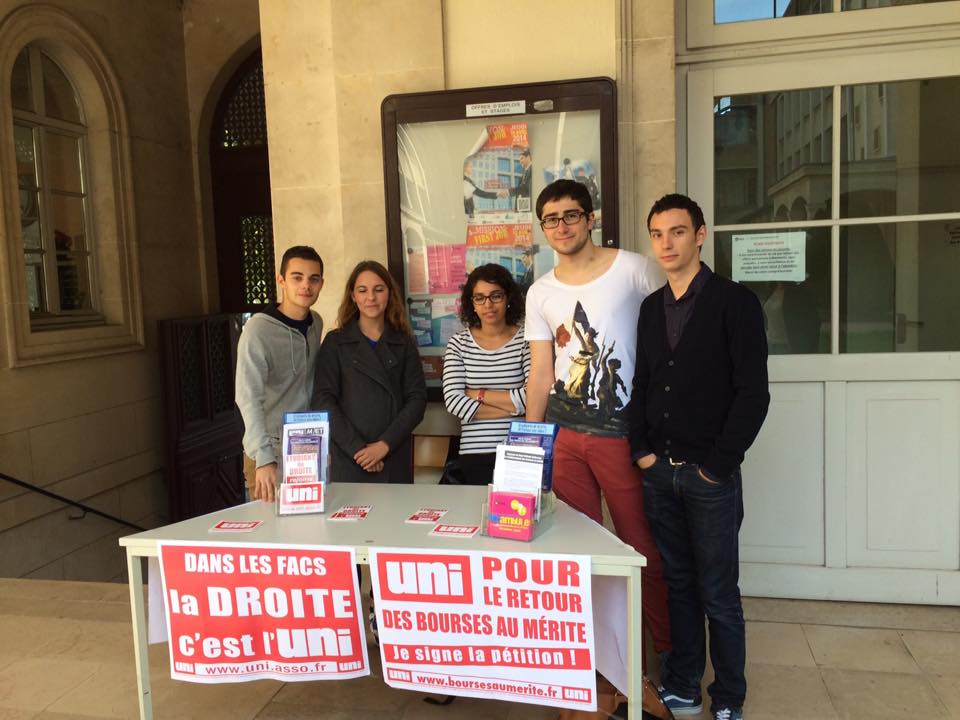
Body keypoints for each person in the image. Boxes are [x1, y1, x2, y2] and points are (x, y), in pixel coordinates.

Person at [630, 193, 769, 720]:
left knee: (719, 594)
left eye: (678, 232)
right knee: (678, 585)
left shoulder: (735, 303)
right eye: (658, 234)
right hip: (658, 474)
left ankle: (729, 696)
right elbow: (642, 382)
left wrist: (717, 466)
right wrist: (640, 450)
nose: (667, 243)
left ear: (701, 234)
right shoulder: (650, 308)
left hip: (709, 477)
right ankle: (684, 684)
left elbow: (753, 394)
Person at [524, 179, 672, 666]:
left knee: (640, 544)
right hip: (566, 437)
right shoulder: (540, 291)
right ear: (542, 228)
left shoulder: (634, 269)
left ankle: (667, 653)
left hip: (623, 434)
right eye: (551, 219)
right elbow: (542, 370)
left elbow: (671, 337)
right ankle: (590, 658)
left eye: (571, 215)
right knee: (576, 547)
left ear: (591, 218)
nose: (561, 226)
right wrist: (531, 442)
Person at [313, 260, 427, 484]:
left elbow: (417, 400)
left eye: (379, 289)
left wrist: (384, 445)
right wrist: (359, 450)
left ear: (389, 294)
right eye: (362, 290)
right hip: (350, 457)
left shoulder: (404, 342)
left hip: (393, 455)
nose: (371, 298)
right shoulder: (336, 342)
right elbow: (323, 400)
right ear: (353, 296)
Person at [235, 245, 324, 502]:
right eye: (297, 277)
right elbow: (247, 397)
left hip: (306, 445)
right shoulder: (258, 331)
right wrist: (263, 458)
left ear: (321, 284)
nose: (305, 285)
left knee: (309, 530)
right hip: (269, 450)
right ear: (281, 280)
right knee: (270, 532)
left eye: (313, 279)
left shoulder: (315, 323)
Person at [442, 264, 530, 485]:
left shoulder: (527, 340)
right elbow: (453, 401)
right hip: (474, 453)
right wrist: (514, 410)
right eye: (479, 298)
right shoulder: (459, 344)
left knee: (516, 518)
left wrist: (477, 393)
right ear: (471, 303)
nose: (488, 305)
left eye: (495, 296)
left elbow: (533, 397)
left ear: (508, 298)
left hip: (519, 450)